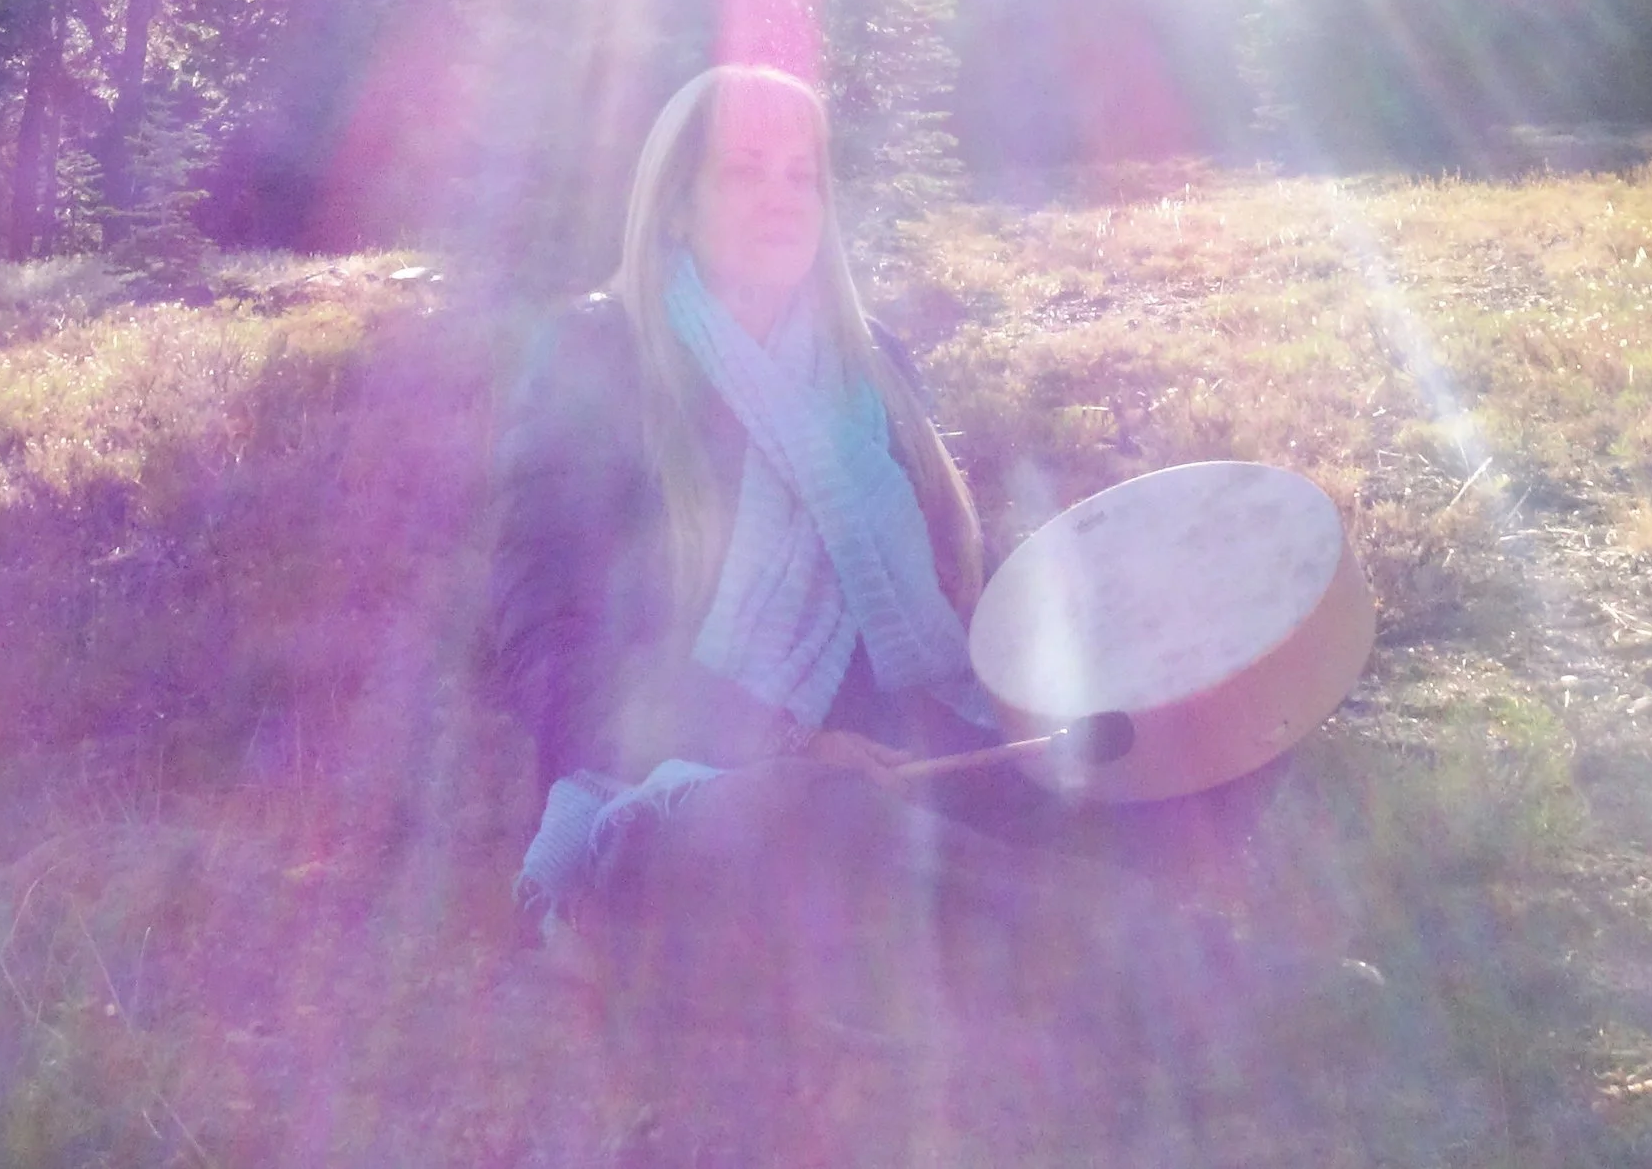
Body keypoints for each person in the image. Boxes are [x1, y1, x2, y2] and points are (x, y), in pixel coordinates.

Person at [486, 62, 1290, 1129]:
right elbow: (543, 643)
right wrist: (781, 738)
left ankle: (986, 955)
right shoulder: (601, 355)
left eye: (802, 175)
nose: (782, 197)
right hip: (692, 791)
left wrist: (1113, 642)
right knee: (814, 818)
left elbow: (947, 602)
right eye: (744, 173)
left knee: (1196, 726)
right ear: (676, 203)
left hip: (918, 751)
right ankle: (1182, 972)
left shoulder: (870, 367)